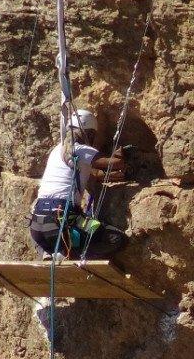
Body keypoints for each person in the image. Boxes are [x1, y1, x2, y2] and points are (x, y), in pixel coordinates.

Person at [29, 109, 129, 260]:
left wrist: (112, 175)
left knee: (64, 236)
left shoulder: (57, 151)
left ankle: (54, 253)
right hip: (61, 221)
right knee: (117, 239)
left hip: (37, 225)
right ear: (88, 134)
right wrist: (122, 154)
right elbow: (115, 163)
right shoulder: (80, 150)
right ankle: (75, 258)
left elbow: (93, 175)